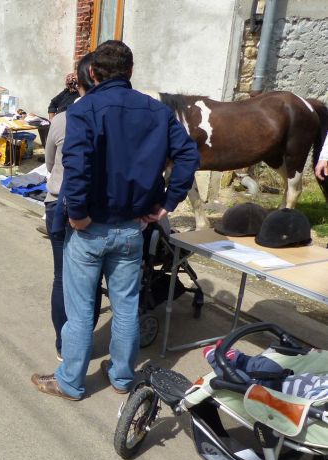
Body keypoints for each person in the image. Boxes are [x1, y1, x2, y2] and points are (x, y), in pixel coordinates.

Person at [31, 40, 200, 401]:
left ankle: (71, 382)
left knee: (81, 309)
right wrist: (167, 203)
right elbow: (188, 155)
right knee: (124, 306)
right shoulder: (156, 111)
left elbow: (76, 167)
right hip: (131, 228)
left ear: (92, 73)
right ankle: (122, 377)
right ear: (131, 72)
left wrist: (76, 214)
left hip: (92, 226)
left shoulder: (82, 111)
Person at [36, 52, 103, 364]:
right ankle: (82, 341)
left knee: (62, 275)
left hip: (59, 204)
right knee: (90, 278)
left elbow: (50, 165)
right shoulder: (107, 121)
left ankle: (65, 345)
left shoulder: (62, 120)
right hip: (94, 208)